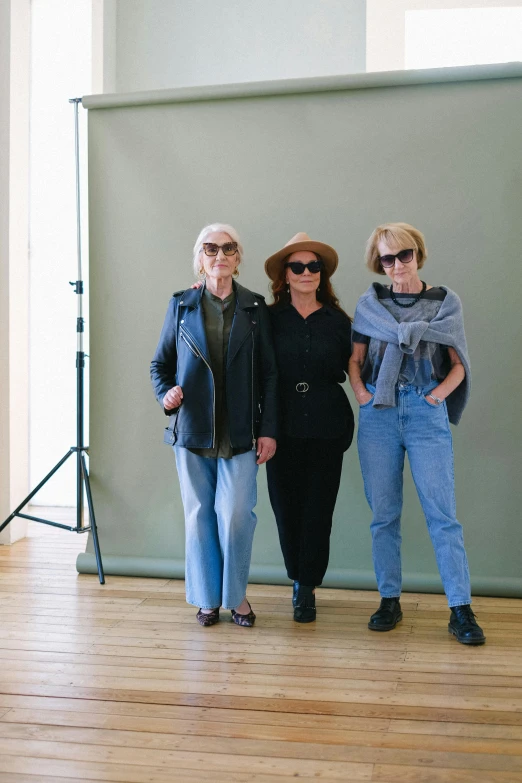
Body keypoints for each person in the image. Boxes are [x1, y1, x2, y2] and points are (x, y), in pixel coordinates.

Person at [349, 222, 485, 645]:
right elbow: (354, 361)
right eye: (386, 258)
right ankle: (389, 599)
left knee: (443, 516)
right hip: (380, 416)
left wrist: (436, 398)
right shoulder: (370, 305)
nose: (396, 265)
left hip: (426, 412)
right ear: (379, 263)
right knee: (383, 515)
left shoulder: (444, 303)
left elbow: (459, 363)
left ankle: (460, 609)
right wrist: (363, 395)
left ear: (418, 255)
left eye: (403, 255)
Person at [150, 224, 278, 627]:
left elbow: (271, 375)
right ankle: (208, 599)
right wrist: (166, 394)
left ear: (238, 258)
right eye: (211, 248)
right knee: (200, 514)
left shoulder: (256, 309)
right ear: (200, 258)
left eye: (228, 248)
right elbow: (160, 365)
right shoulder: (181, 306)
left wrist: (269, 429)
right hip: (191, 430)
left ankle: (235, 596)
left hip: (241, 431)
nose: (219, 255)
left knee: (237, 513)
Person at [264, 233, 354, 623]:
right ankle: (296, 576)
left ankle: (307, 587)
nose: (306, 272)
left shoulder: (339, 321)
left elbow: (358, 367)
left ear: (322, 274)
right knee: (287, 509)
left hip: (327, 425)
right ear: (285, 275)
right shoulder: (266, 318)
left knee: (319, 511)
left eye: (313, 266)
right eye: (297, 266)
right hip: (279, 427)